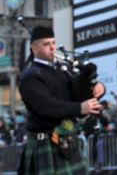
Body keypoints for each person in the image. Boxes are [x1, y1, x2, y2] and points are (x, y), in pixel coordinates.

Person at [18, 26, 105, 175]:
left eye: (53, 42)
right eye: (46, 44)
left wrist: (97, 88)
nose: (52, 47)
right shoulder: (30, 76)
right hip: (43, 142)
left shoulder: (63, 69)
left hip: (67, 140)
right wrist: (79, 108)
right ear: (34, 49)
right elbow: (46, 106)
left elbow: (77, 93)